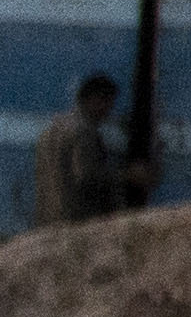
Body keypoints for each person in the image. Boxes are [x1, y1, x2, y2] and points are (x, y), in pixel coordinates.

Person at [29, 72, 143, 229]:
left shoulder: (52, 130)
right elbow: (87, 176)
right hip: (73, 223)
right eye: (108, 102)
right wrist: (127, 175)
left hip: (47, 220)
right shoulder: (84, 132)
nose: (109, 110)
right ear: (94, 99)